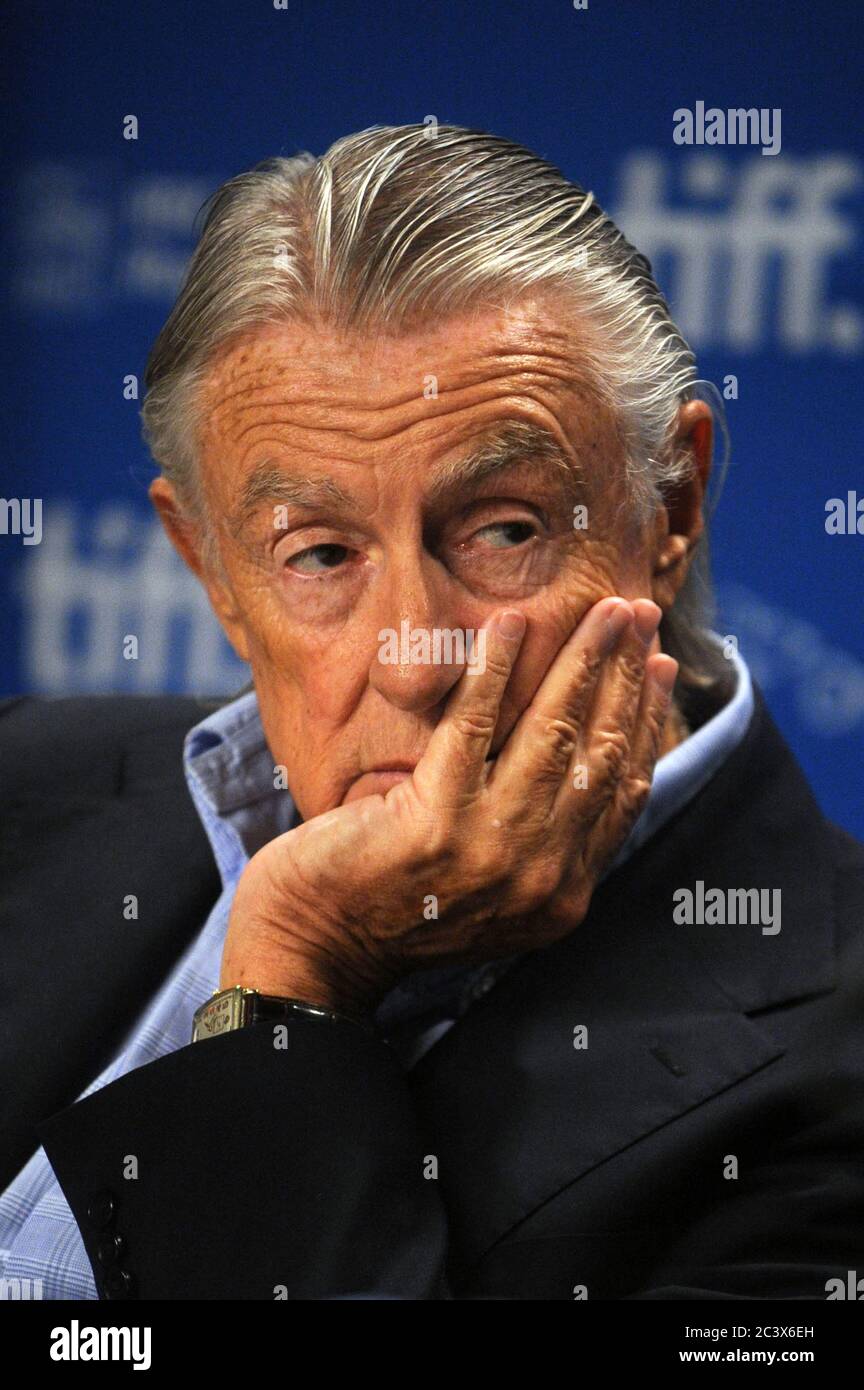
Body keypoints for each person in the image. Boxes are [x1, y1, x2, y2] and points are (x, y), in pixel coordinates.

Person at [2, 124, 862, 1300]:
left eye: (503, 530)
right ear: (210, 571)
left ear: (669, 505)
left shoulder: (833, 1069)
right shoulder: (21, 779)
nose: (414, 657)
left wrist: (293, 982)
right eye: (319, 552)